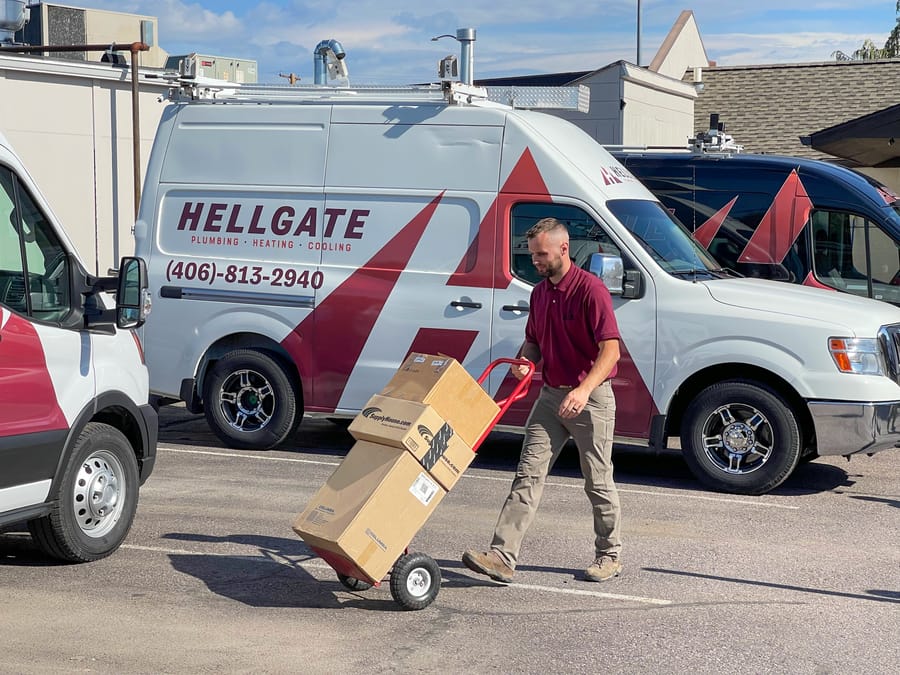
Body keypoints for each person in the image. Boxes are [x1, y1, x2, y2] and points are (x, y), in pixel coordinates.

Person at [462, 217, 623, 583]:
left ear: (563, 249)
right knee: (527, 474)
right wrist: (525, 360)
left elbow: (610, 351)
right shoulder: (539, 293)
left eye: (541, 254)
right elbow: (533, 340)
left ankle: (609, 555)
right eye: (532, 253)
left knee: (597, 480)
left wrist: (583, 391)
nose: (535, 260)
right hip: (551, 397)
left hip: (591, 398)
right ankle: (503, 556)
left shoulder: (590, 290)